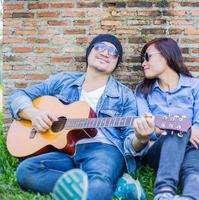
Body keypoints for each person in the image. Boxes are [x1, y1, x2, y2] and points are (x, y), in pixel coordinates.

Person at [7, 34, 145, 200]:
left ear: (116, 62)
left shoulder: (125, 95)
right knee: (26, 171)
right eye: (100, 47)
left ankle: (99, 183)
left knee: (98, 183)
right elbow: (17, 96)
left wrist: (141, 137)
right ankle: (116, 186)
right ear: (89, 52)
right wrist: (34, 114)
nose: (105, 53)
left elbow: (130, 141)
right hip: (64, 151)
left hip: (103, 150)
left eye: (113, 52)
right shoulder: (63, 81)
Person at [130, 38, 199, 200]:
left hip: (195, 147)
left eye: (148, 57)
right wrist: (186, 129)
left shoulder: (196, 86)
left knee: (193, 170)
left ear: (166, 56)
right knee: (175, 132)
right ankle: (164, 193)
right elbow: (148, 131)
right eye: (142, 60)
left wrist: (166, 128)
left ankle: (191, 197)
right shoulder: (142, 91)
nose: (143, 64)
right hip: (161, 150)